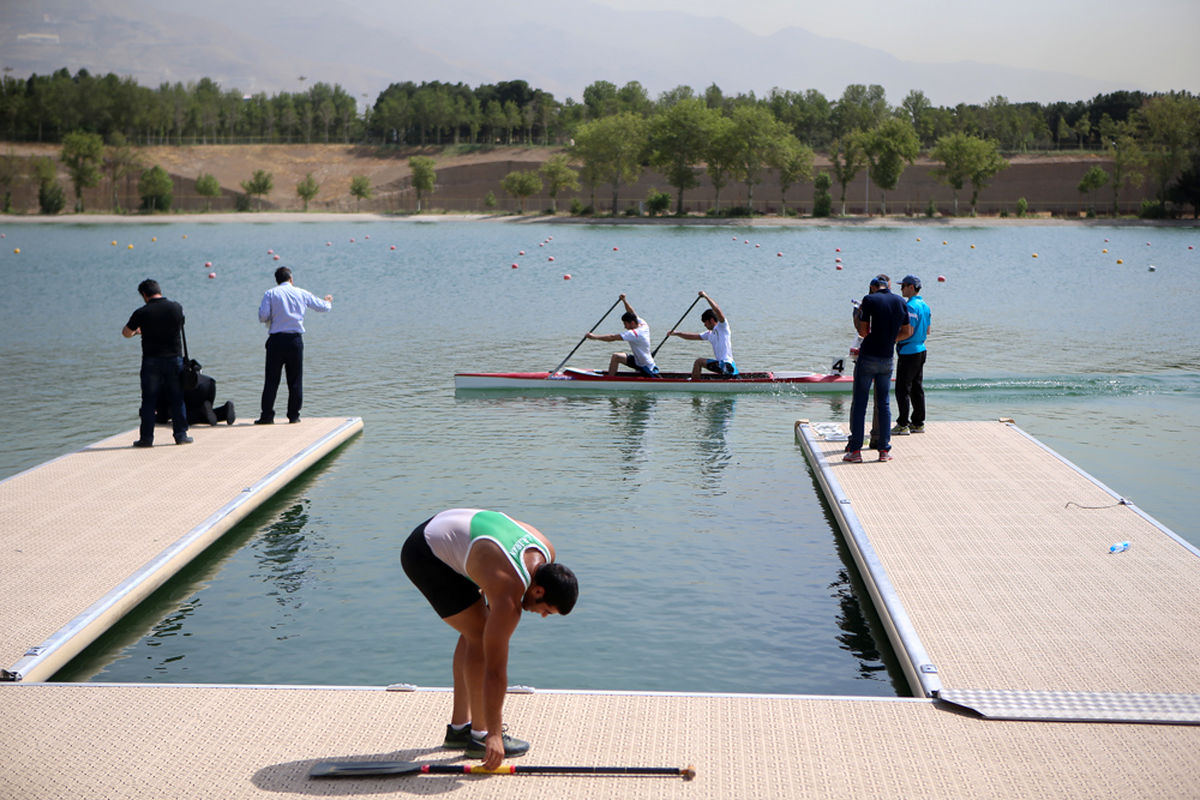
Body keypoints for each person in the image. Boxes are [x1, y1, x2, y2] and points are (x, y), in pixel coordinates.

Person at [401, 508, 578, 770]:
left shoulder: (546, 551)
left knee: (475, 624)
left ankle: (460, 729)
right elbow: (495, 671)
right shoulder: (509, 595)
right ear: (538, 590)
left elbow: (499, 551)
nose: (542, 616)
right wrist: (496, 734)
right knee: (480, 633)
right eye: (546, 610)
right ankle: (481, 737)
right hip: (424, 554)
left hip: (446, 528)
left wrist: (486, 576)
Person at [844, 275, 911, 463]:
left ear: (873, 287)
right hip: (887, 358)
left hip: (868, 357)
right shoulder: (900, 301)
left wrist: (857, 315)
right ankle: (884, 450)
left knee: (860, 403)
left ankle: (855, 451)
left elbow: (863, 332)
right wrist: (888, 340)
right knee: (884, 404)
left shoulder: (869, 300)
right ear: (888, 286)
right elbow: (907, 332)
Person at [255, 266, 332, 424]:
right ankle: (294, 416)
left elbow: (263, 317)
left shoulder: (270, 293)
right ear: (291, 279)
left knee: (271, 380)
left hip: (276, 341)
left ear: (277, 281)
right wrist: (328, 301)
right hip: (295, 341)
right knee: (295, 380)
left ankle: (267, 416)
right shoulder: (301, 292)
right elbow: (322, 307)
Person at [122, 278, 192, 447]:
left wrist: (139, 331)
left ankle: (146, 439)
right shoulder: (176, 307)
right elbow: (180, 324)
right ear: (159, 290)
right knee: (177, 398)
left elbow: (126, 333)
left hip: (151, 361)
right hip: (174, 359)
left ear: (144, 295)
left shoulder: (142, 312)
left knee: (149, 401)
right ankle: (181, 436)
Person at [584, 294, 660, 377]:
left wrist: (594, 337)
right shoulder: (643, 323)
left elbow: (612, 337)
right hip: (637, 361)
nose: (624, 327)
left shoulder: (634, 333)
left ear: (632, 323)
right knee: (616, 356)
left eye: (625, 324)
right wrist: (624, 301)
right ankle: (610, 380)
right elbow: (631, 312)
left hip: (646, 366)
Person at [892, 274, 931, 436]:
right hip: (921, 349)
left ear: (911, 287)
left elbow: (909, 332)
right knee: (916, 388)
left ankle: (902, 424)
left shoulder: (910, 307)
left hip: (909, 351)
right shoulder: (925, 305)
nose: (901, 289)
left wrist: (891, 340)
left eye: (903, 286)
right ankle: (918, 423)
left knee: (902, 389)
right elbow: (927, 331)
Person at [668, 291, 738, 379]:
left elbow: (717, 310)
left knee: (698, 362)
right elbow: (692, 336)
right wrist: (676, 333)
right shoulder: (709, 334)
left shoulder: (723, 327)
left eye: (705, 322)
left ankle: (694, 384)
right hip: (725, 367)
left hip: (727, 365)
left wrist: (706, 297)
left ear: (711, 320)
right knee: (700, 362)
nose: (704, 325)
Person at [156, 371, 236, 426]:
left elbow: (162, 418)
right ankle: (225, 410)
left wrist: (153, 417)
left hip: (193, 389)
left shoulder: (160, 387)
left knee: (187, 418)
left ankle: (203, 410)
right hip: (209, 383)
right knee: (205, 414)